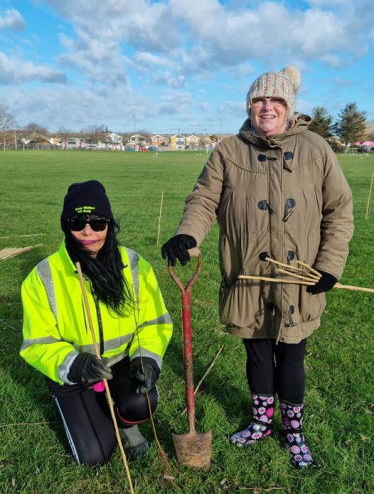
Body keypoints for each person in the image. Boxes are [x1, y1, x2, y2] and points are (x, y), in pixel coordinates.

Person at [161, 66, 353, 468]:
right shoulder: (228, 150)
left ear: (289, 107)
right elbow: (203, 200)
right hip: (248, 276)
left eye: (276, 100)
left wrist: (330, 266)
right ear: (250, 106)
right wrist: (188, 235)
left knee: (292, 355)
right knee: (258, 354)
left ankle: (293, 429)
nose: (267, 106)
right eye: (259, 100)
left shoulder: (317, 149)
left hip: (299, 279)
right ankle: (261, 421)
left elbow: (339, 211)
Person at [21, 180, 173, 466]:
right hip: (75, 371)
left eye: (98, 222)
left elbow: (154, 323)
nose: (87, 231)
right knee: (93, 457)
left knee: (141, 401)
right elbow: (37, 342)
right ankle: (79, 405)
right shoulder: (41, 278)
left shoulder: (134, 264)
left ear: (109, 224)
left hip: (121, 362)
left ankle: (127, 426)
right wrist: (74, 364)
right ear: (66, 226)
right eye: (77, 222)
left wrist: (146, 359)